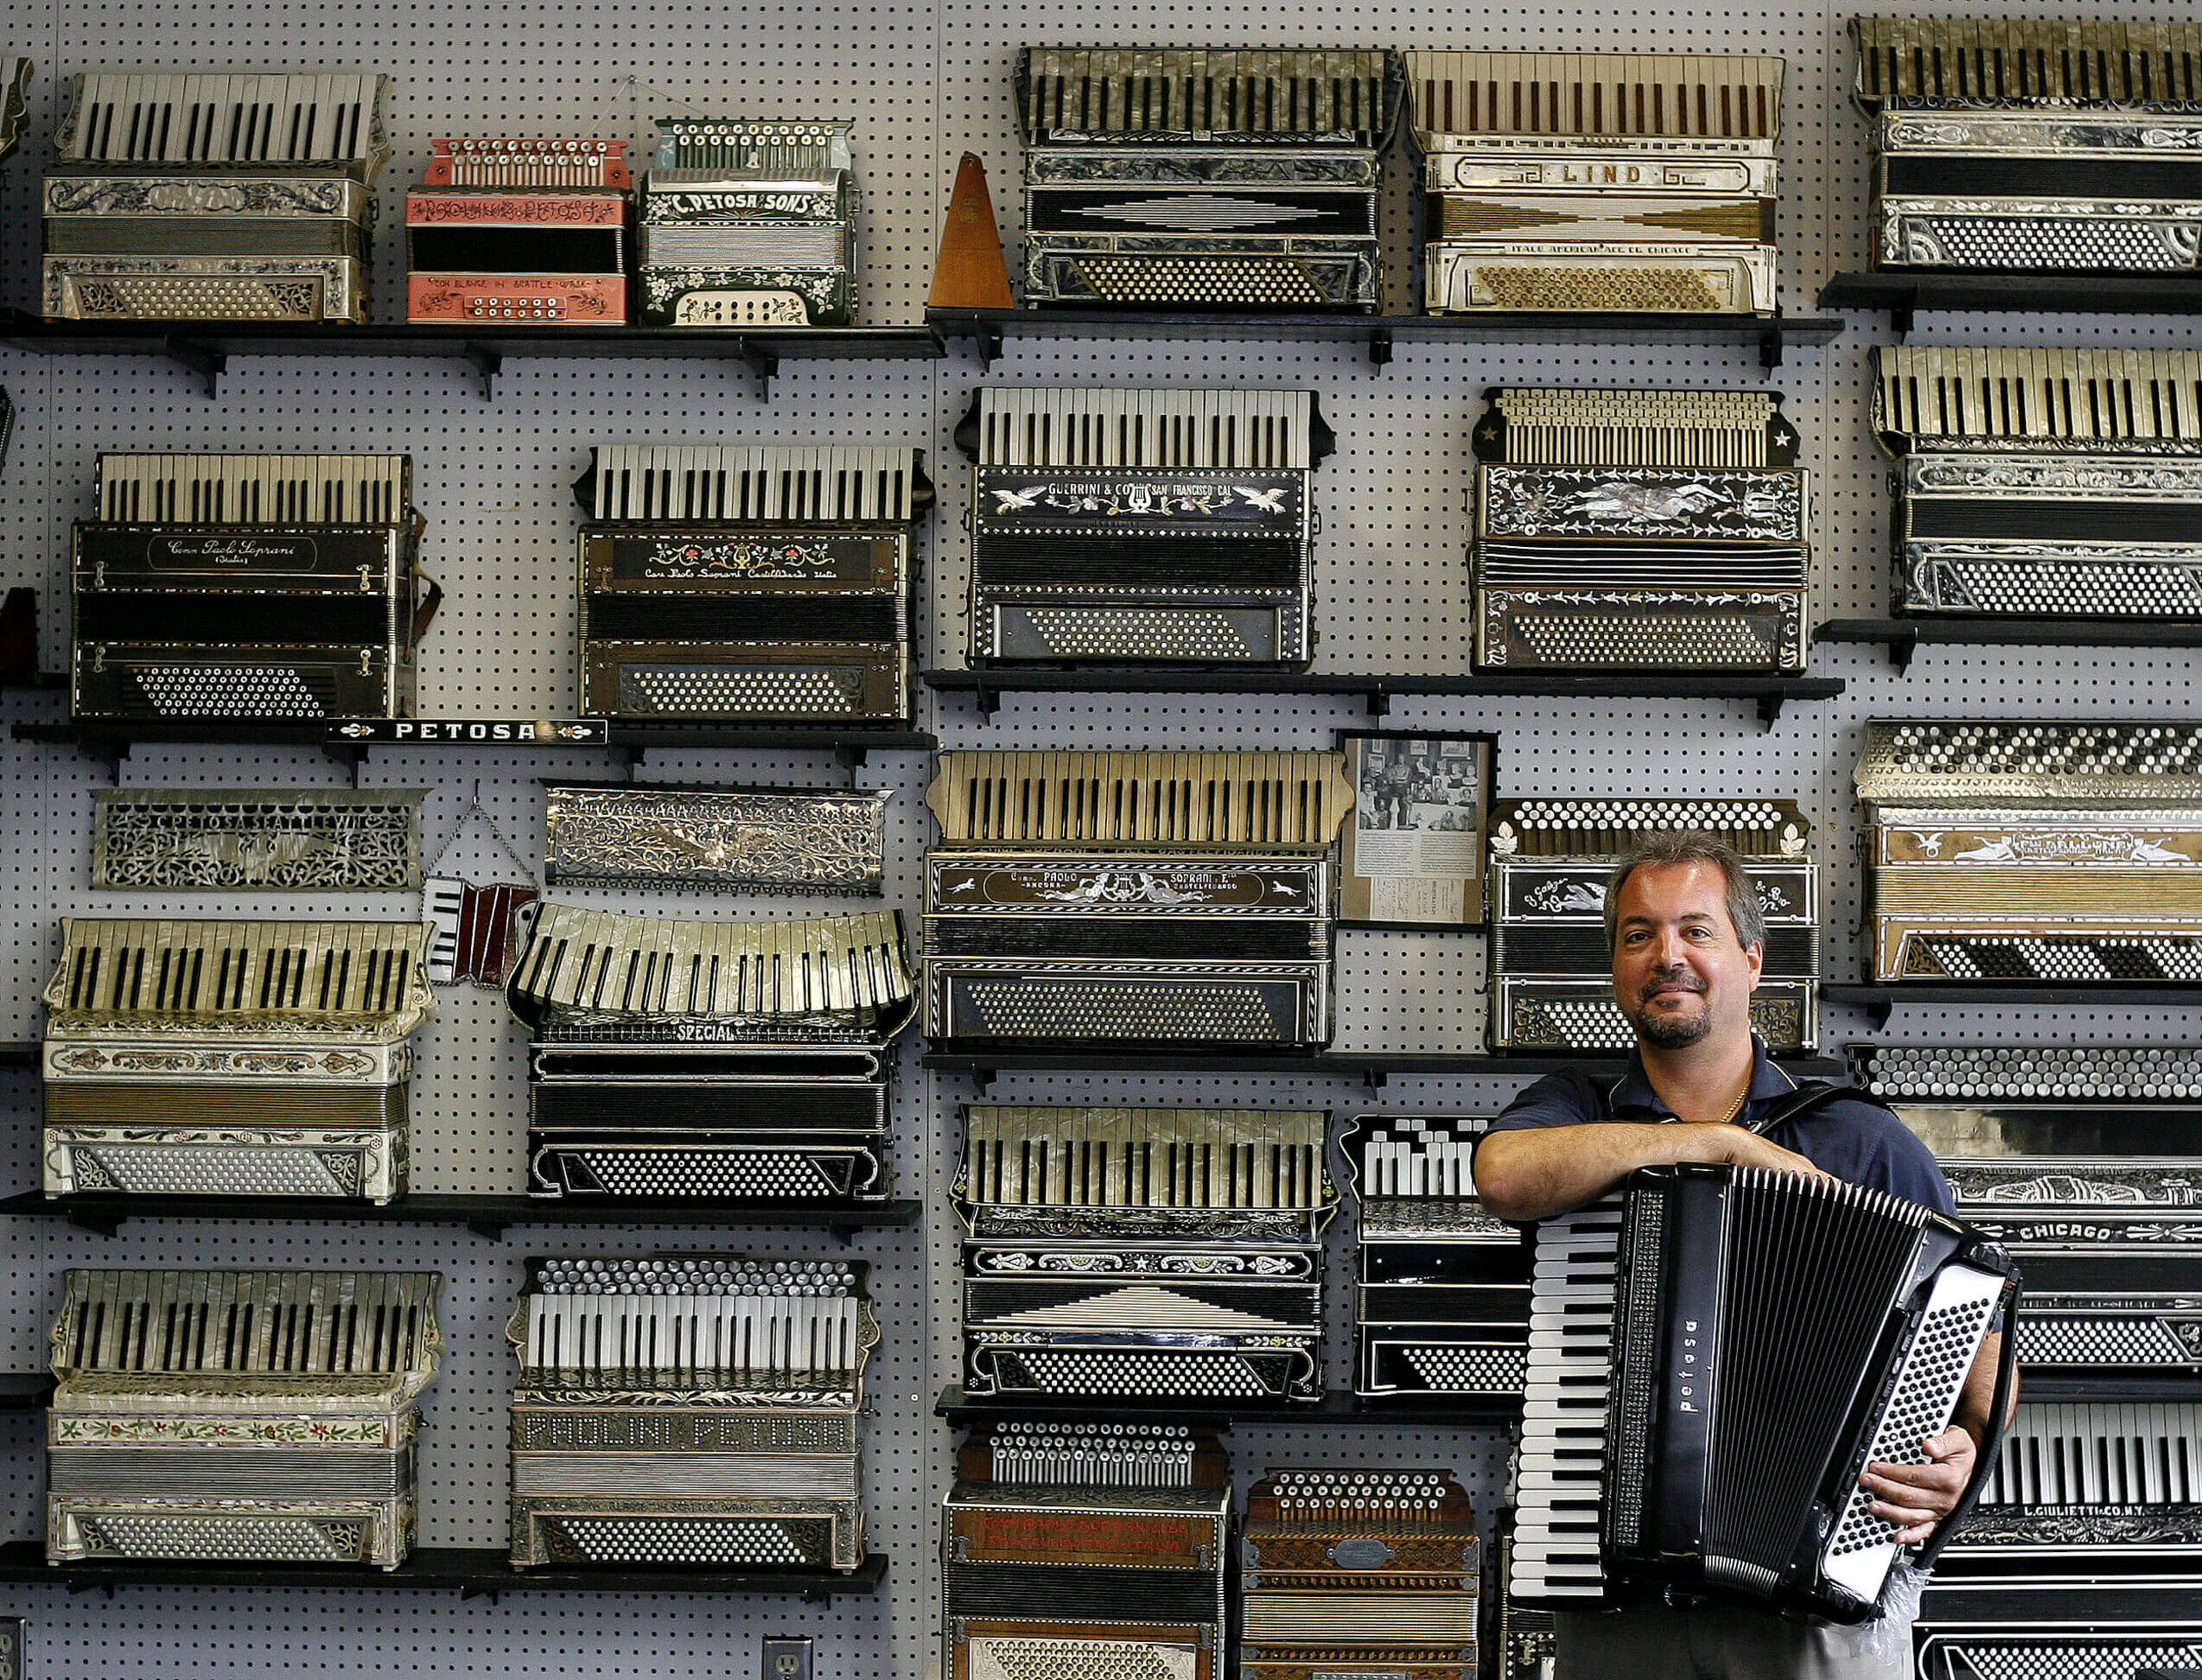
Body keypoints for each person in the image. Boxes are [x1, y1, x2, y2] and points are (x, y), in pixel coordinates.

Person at [1473, 832, 2012, 1680]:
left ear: (1751, 961)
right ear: (1616, 967)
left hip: (1818, 1598)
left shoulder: (1860, 1139)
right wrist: (1721, 1144)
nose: (1666, 956)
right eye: (1637, 934)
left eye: (1696, 931)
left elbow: (1984, 1348)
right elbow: (1502, 1178)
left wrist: (1966, 1449)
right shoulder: (1576, 1111)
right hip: (1619, 1595)